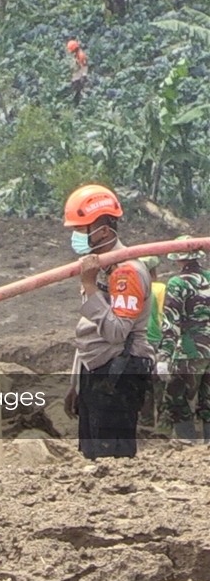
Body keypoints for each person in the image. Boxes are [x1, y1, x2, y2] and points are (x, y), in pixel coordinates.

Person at [62, 184, 154, 459]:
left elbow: (116, 332)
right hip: (97, 372)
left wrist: (90, 287)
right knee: (92, 454)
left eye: (80, 230)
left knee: (113, 457)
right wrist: (76, 383)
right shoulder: (103, 269)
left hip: (118, 375)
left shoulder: (126, 273)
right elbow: (88, 330)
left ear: (102, 230)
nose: (76, 237)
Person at [157, 236, 210, 443]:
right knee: (208, 403)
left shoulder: (177, 283)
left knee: (176, 399)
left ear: (179, 259)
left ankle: (186, 444)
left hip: (190, 350)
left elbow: (171, 322)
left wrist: (164, 356)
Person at [138, 255, 166, 427]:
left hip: (140, 340)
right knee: (161, 382)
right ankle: (163, 419)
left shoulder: (136, 288)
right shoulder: (161, 289)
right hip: (157, 338)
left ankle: (146, 420)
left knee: (144, 382)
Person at [67, 39, 88, 106]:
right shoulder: (76, 54)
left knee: (77, 91)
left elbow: (84, 67)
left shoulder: (81, 55)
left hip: (79, 77)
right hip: (76, 75)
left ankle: (77, 104)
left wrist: (83, 77)